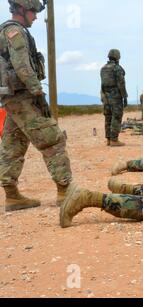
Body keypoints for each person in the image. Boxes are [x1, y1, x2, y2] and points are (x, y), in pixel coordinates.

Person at [0, 0, 72, 211]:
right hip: (23, 97)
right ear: (22, 10)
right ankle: (65, 191)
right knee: (52, 140)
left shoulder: (7, 30)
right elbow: (22, 65)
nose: (36, 17)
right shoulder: (16, 32)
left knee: (13, 145)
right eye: (33, 12)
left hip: (12, 99)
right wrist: (37, 90)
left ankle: (12, 196)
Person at [100, 49, 128, 147]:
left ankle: (108, 139)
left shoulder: (103, 68)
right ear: (117, 57)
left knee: (108, 117)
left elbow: (102, 84)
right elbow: (121, 84)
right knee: (116, 116)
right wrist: (125, 97)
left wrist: (103, 96)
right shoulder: (117, 68)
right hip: (115, 96)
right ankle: (114, 140)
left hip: (105, 96)